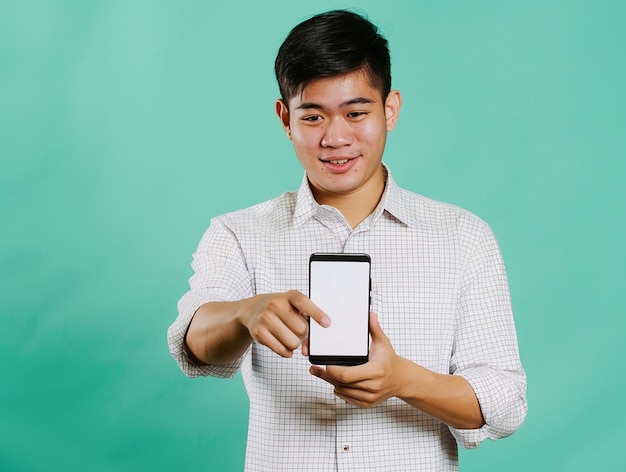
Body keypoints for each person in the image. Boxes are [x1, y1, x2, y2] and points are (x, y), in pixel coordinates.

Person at [168, 9, 526, 471]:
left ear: (390, 109)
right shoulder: (239, 233)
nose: (336, 137)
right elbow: (193, 343)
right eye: (313, 116)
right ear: (284, 117)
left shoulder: (462, 237)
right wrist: (244, 312)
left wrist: (403, 380)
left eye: (356, 113)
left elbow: (505, 402)